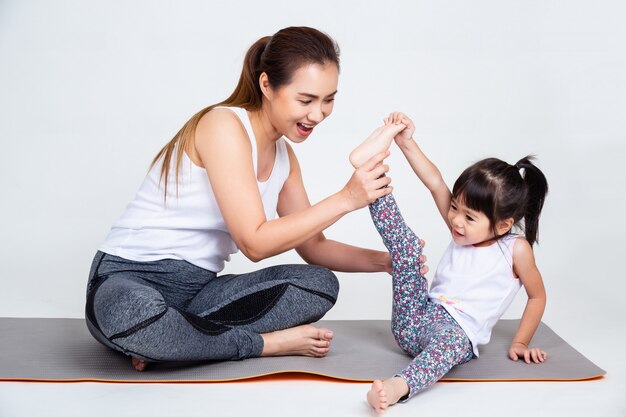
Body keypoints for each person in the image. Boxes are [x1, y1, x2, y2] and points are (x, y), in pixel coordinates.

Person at [85, 27, 427, 372]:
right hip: (129, 279)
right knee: (133, 313)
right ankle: (256, 345)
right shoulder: (223, 125)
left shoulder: (284, 159)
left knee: (320, 284)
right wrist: (346, 198)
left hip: (199, 295)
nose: (318, 114)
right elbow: (254, 243)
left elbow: (314, 247)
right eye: (306, 100)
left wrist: (387, 261)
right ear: (267, 85)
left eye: (329, 100)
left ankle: (171, 338)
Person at [350, 112, 549, 413]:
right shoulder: (463, 230)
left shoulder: (515, 250)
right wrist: (407, 142)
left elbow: (537, 295)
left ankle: (397, 387)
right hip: (415, 317)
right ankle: (369, 169)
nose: (455, 220)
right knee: (407, 248)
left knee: (449, 344)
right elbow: (435, 182)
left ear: (503, 225)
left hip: (455, 334)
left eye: (469, 217)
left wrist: (520, 342)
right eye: (455, 207)